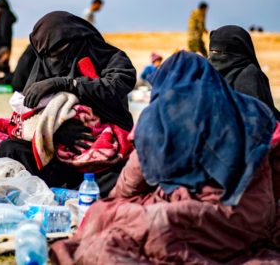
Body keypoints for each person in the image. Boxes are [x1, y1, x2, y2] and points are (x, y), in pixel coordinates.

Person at [50, 51, 280, 264]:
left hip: (214, 217)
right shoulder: (253, 111)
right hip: (257, 217)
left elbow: (130, 183)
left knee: (112, 219)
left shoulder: (159, 119)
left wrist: (113, 204)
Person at [0, 11, 137, 196]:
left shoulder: (111, 58)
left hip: (103, 154)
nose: (54, 60)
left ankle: (76, 191)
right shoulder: (45, 65)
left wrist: (67, 83)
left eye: (58, 52)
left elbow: (117, 85)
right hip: (58, 155)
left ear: (78, 40)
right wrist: (55, 131)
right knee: (9, 149)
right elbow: (28, 117)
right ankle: (58, 190)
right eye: (48, 55)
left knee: (126, 172)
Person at [209, 25, 280, 120]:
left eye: (220, 52)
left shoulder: (248, 76)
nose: (215, 56)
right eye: (212, 51)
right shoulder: (207, 76)